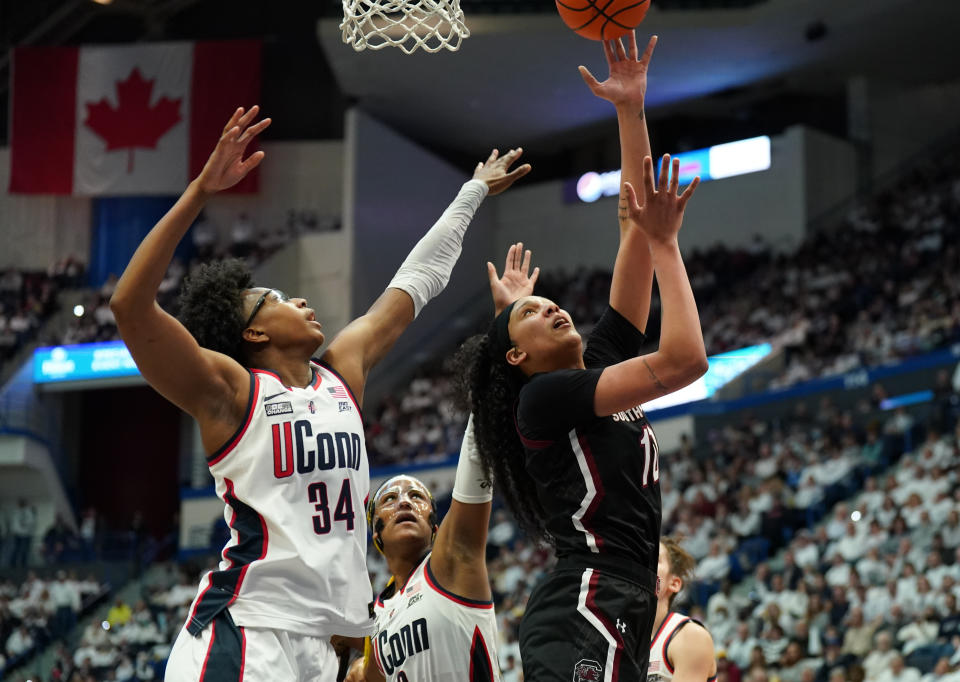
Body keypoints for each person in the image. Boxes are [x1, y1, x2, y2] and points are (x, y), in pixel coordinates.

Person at [109, 104, 530, 681]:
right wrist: (202, 190)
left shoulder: (341, 374)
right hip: (247, 628)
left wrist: (471, 194)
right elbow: (130, 307)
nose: (302, 301)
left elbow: (415, 282)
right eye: (279, 297)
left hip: (322, 645)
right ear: (253, 332)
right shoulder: (229, 392)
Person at [458, 31, 707, 682]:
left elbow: (632, 225)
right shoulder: (544, 400)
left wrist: (630, 111)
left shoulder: (587, 368)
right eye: (532, 313)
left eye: (547, 302)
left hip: (620, 599)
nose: (551, 306)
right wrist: (668, 246)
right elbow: (685, 360)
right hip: (584, 601)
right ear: (517, 359)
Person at [341, 245, 538, 682]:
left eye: (418, 496)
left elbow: (478, 448)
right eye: (389, 498)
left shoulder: (452, 560)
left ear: (436, 525)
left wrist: (505, 328)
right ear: (375, 533)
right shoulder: (378, 616)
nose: (405, 500)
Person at [648, 537, 718, 682]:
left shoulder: (690, 635)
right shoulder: (623, 637)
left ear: (674, 583)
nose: (644, 564)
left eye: (655, 559)